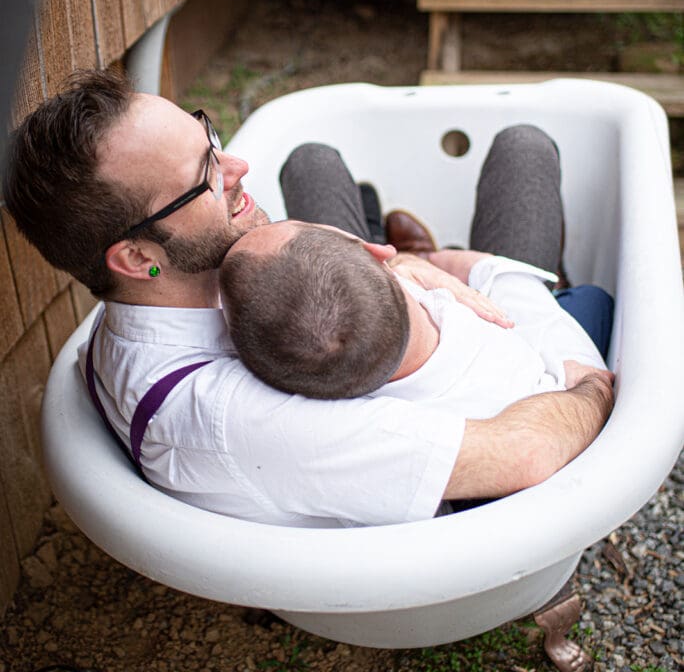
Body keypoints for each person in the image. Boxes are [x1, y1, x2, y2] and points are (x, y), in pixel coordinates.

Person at [2, 68, 614, 527]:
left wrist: (402, 271)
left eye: (208, 136)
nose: (237, 164)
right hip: (491, 393)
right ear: (137, 257)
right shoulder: (238, 421)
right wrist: (586, 379)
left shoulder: (164, 299)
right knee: (527, 150)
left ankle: (403, 242)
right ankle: (448, 251)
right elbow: (531, 450)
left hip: (385, 322)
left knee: (312, 161)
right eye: (204, 177)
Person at [220, 221, 609, 416]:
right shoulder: (488, 338)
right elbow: (506, 283)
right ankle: (419, 248)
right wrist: (431, 263)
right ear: (380, 258)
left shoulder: (356, 406)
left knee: (313, 163)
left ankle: (384, 222)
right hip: (525, 359)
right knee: (592, 300)